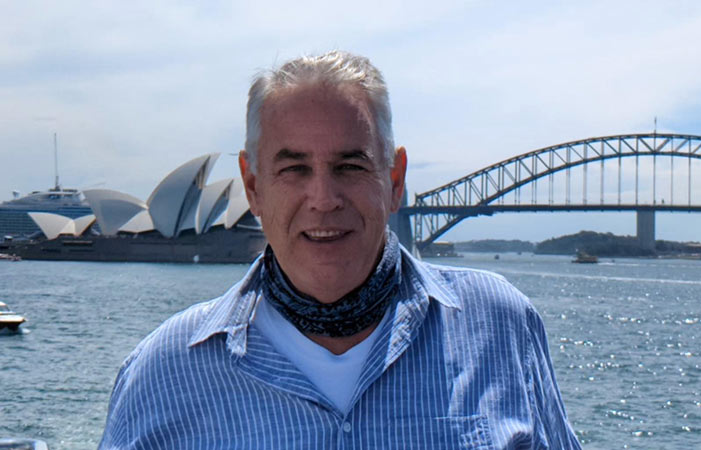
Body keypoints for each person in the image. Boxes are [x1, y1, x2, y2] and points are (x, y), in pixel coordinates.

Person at [99, 50, 581, 449]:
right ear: (253, 186)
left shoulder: (500, 326)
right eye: (294, 169)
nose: (324, 199)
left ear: (395, 180)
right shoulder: (162, 373)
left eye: (350, 166)